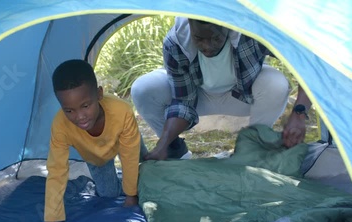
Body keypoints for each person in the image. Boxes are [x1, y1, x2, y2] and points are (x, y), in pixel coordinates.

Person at [131, 17, 312, 160]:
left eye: (216, 38)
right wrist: (162, 144)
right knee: (143, 88)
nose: (207, 47)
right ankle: (173, 150)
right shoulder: (176, 42)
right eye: (199, 39)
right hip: (197, 97)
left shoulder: (251, 30)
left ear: (228, 26)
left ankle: (254, 148)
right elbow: (184, 102)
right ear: (190, 26)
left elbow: (306, 62)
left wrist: (299, 113)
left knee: (276, 84)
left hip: (241, 96)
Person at [44, 59, 146, 222]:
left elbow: (129, 157)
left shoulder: (122, 111)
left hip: (124, 139)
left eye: (85, 106)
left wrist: (131, 195)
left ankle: (141, 152)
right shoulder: (60, 125)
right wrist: (52, 215)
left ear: (99, 94)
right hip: (97, 158)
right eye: (69, 110)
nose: (79, 116)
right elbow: (57, 169)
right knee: (109, 195)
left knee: (141, 158)